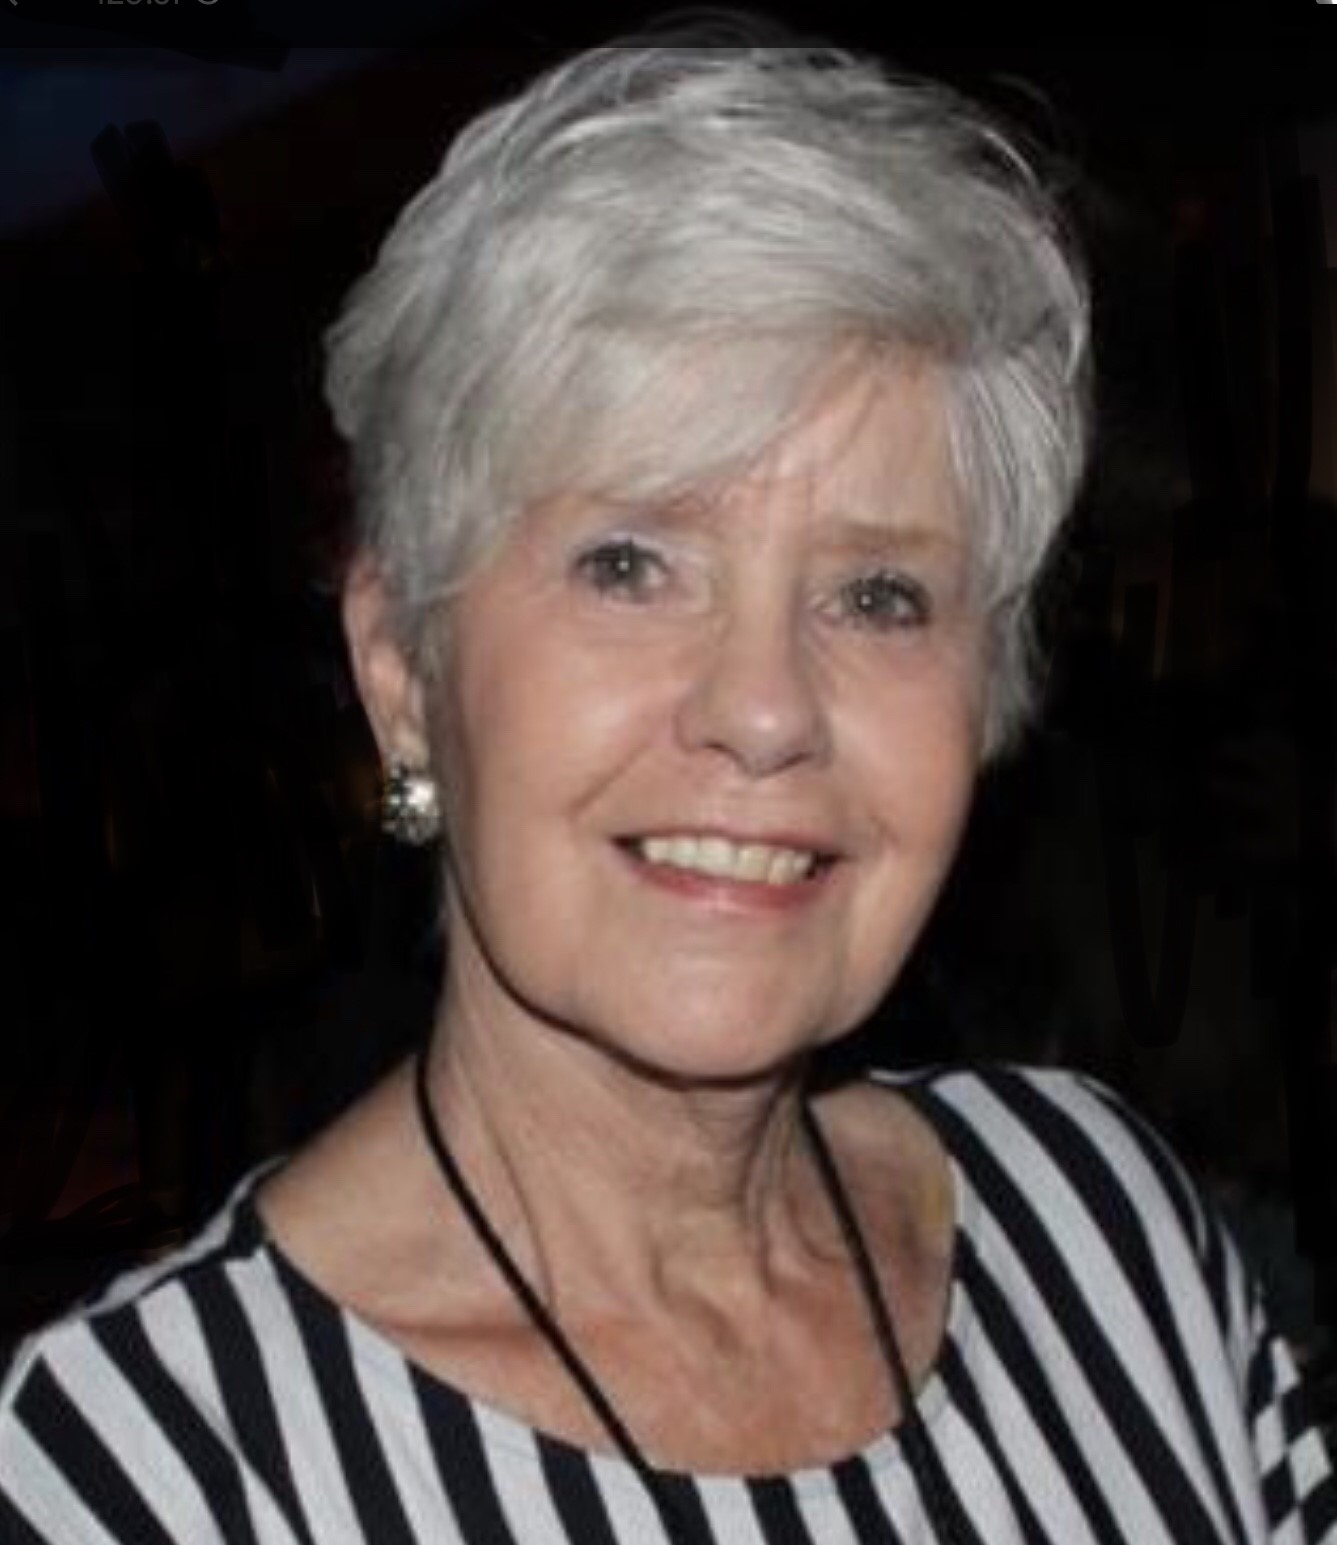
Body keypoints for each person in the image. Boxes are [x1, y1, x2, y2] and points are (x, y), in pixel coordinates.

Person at [2, 20, 1334, 1543]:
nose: (764, 710)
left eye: (878, 595)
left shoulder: (1107, 1224)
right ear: (400, 665)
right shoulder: (142, 1474)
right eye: (629, 564)